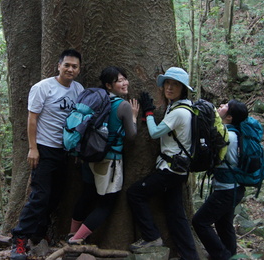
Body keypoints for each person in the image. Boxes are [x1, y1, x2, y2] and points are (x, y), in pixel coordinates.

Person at [10, 49, 84, 260]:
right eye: (67, 65)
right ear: (58, 66)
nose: (70, 69)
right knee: (39, 196)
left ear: (79, 70)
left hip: (65, 151)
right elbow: (32, 118)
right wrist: (33, 148)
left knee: (55, 196)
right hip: (44, 149)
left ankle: (38, 233)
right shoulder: (43, 88)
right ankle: (19, 240)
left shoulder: (78, 89)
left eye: (74, 66)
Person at [126, 66, 199, 260]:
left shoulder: (179, 112)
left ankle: (151, 237)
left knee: (135, 193)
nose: (170, 87)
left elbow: (155, 133)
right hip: (177, 169)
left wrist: (148, 112)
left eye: (175, 84)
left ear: (183, 88)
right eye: (167, 83)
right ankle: (190, 255)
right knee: (176, 215)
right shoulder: (178, 107)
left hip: (170, 171)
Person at [67, 66, 140, 245]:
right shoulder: (122, 105)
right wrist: (135, 117)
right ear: (109, 85)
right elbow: (132, 136)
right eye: (119, 81)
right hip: (109, 161)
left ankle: (71, 232)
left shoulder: (96, 101)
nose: (124, 83)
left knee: (87, 194)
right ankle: (76, 240)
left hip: (88, 157)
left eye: (125, 79)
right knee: (107, 203)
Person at [192, 100, 248, 260]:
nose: (221, 106)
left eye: (225, 107)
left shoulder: (227, 136)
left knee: (199, 222)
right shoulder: (235, 133)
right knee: (224, 225)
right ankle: (231, 256)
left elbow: (212, 158)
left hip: (227, 190)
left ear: (229, 117)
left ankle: (222, 256)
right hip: (234, 188)